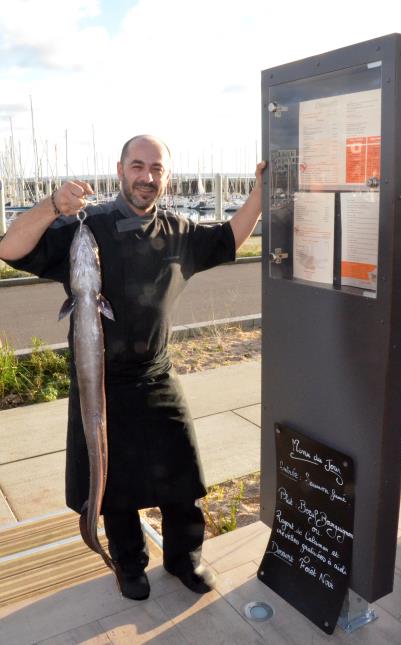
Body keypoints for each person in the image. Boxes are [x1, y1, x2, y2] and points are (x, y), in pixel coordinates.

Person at [0, 135, 266, 601]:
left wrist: (260, 193)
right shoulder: (87, 227)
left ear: (167, 175)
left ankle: (186, 558)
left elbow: (229, 238)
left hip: (157, 374)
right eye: (138, 166)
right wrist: (50, 205)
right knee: (112, 485)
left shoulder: (179, 229)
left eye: (156, 169)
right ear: (120, 169)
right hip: (100, 379)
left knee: (181, 473)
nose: (147, 177)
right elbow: (11, 249)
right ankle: (128, 563)